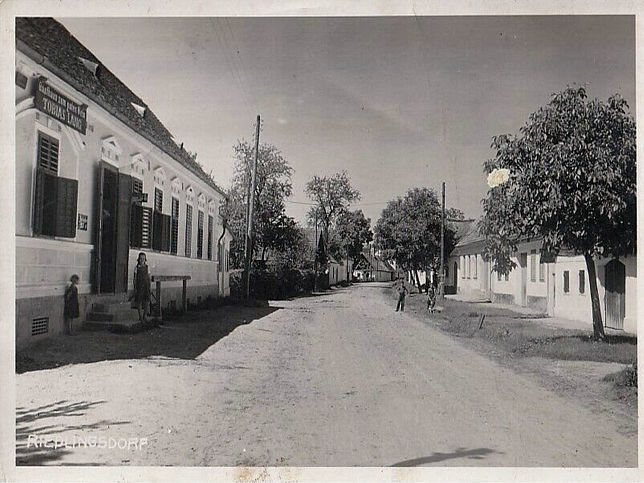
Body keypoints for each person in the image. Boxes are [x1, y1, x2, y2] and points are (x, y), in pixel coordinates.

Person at [134, 252, 151, 323]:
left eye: (143, 259)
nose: (142, 260)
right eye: (141, 259)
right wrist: (135, 287)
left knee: (146, 301)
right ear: (138, 259)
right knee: (139, 301)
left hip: (146, 286)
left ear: (145, 259)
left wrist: (150, 286)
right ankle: (140, 316)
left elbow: (149, 277)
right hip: (139, 286)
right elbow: (135, 278)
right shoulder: (136, 268)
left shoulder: (147, 267)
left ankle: (145, 316)